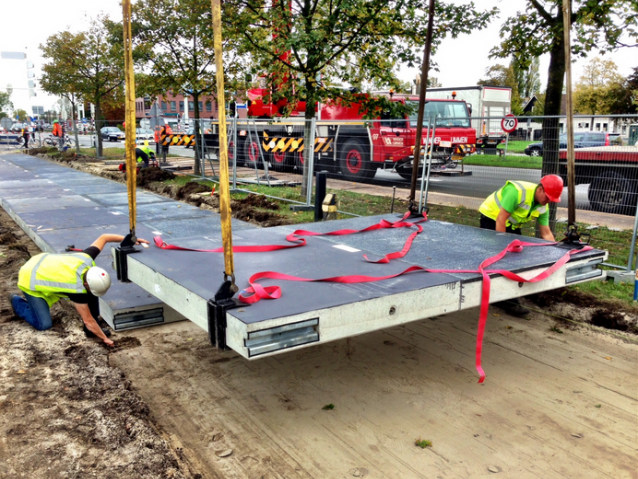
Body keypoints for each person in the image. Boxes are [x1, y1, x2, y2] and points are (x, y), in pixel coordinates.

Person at [8, 234, 149, 347]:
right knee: (43, 324)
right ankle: (17, 302)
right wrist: (105, 339)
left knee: (91, 295)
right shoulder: (75, 288)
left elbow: (104, 237)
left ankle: (92, 330)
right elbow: (87, 320)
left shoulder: (87, 259)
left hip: (43, 263)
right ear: (86, 283)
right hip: (30, 276)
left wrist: (130, 239)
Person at [478, 174, 564, 316]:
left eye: (552, 200)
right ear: (540, 189)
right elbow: (500, 220)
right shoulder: (517, 192)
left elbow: (546, 233)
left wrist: (556, 254)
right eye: (548, 197)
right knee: (499, 257)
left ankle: (514, 291)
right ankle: (505, 299)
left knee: (516, 257)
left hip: (511, 223)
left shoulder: (543, 207)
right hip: (492, 217)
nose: (548, 201)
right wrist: (501, 247)